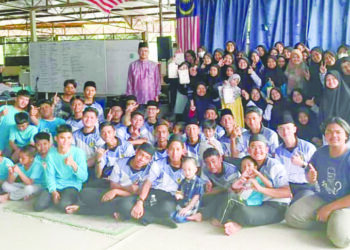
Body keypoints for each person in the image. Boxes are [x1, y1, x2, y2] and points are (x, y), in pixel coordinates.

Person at [285, 117, 350, 248]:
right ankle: (329, 224)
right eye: (329, 132)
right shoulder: (320, 153)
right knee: (291, 217)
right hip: (323, 197)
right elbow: (310, 175)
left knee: (340, 240)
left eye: (338, 132)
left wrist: (329, 208)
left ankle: (335, 224)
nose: (333, 135)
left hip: (345, 204)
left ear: (346, 135)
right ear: (325, 135)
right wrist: (311, 177)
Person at [221, 134, 291, 236]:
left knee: (244, 214)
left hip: (275, 205)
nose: (257, 150)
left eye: (260, 147)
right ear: (249, 150)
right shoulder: (248, 164)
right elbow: (237, 189)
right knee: (229, 201)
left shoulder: (275, 166)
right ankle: (238, 220)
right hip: (256, 203)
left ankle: (239, 223)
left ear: (267, 149)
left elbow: (287, 193)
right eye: (253, 147)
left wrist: (260, 188)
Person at [64, 143, 155, 217]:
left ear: (150, 160)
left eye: (146, 158)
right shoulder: (121, 162)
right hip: (116, 191)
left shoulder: (150, 170)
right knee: (85, 193)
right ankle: (118, 213)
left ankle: (82, 209)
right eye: (141, 155)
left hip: (132, 198)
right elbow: (113, 185)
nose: (142, 159)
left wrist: (117, 192)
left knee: (124, 205)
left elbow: (139, 193)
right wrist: (120, 190)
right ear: (136, 152)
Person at [129, 135, 186, 228]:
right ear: (167, 150)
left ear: (183, 150)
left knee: (166, 209)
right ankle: (158, 219)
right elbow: (148, 183)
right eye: (171, 149)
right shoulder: (158, 164)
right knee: (127, 205)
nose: (174, 153)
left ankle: (146, 217)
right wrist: (140, 202)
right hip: (155, 194)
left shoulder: (187, 166)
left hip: (171, 197)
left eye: (178, 149)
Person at [34, 124, 88, 212]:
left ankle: (68, 199)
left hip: (72, 185)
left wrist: (73, 165)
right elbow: (50, 175)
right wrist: (53, 191)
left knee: (63, 206)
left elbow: (84, 178)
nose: (66, 141)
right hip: (56, 184)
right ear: (56, 139)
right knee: (38, 206)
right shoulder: (51, 154)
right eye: (62, 138)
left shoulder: (79, 153)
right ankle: (56, 198)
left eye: (69, 138)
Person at [275, 112, 317, 202]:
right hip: (288, 187)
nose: (285, 132)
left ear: (294, 129)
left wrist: (302, 164)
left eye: (288, 128)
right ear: (278, 131)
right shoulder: (278, 151)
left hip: (307, 186)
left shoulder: (308, 148)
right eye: (281, 129)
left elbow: (317, 171)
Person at [200, 148, 240, 223]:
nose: (211, 166)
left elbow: (233, 190)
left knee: (227, 196)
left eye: (213, 161)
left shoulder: (231, 170)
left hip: (233, 194)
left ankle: (218, 219)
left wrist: (214, 190)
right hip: (220, 191)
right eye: (207, 163)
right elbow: (203, 185)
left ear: (220, 159)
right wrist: (206, 185)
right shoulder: (205, 169)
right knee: (201, 196)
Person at [172, 157, 204, 223]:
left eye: (189, 170)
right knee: (171, 215)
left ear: (195, 169)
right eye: (184, 170)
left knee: (178, 218)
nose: (187, 172)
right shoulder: (183, 181)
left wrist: (187, 208)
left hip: (192, 205)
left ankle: (192, 217)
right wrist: (178, 195)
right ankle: (180, 213)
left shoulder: (198, 182)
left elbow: (196, 198)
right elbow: (179, 191)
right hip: (183, 203)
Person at [0, 90, 31, 155]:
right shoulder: (5, 108)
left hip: (13, 149)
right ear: (16, 99)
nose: (24, 102)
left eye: (26, 100)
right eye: (22, 99)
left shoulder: (26, 115)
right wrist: (1, 114)